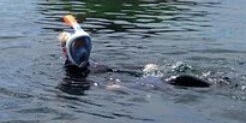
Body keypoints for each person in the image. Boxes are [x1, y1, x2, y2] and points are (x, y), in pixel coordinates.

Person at [58, 15, 211, 88]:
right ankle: (213, 85)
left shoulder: (82, 59)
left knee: (167, 77)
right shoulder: (72, 74)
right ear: (67, 52)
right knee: (173, 80)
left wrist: (70, 20)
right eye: (77, 47)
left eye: (85, 45)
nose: (83, 50)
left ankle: (214, 83)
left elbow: (78, 29)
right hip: (117, 81)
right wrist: (107, 88)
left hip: (118, 71)